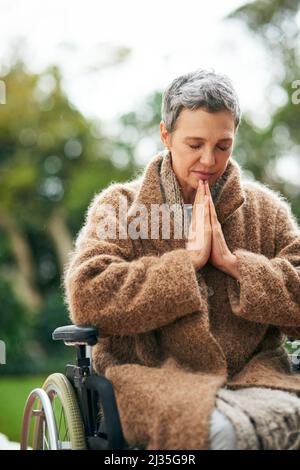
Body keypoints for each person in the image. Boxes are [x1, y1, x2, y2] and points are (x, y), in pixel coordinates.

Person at [64, 68, 300, 450]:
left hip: (255, 376)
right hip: (152, 378)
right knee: (221, 433)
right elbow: (88, 294)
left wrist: (236, 266)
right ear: (166, 135)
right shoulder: (120, 207)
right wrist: (186, 262)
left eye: (223, 146)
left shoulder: (266, 211)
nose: (209, 159)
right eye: (194, 144)